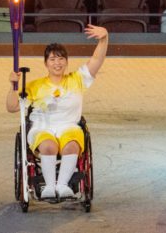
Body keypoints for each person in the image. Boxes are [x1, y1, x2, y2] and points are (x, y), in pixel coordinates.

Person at [6, 24, 109, 199]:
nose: (57, 63)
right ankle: (49, 187)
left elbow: (96, 60)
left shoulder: (77, 79)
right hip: (42, 127)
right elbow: (12, 107)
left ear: (66, 62)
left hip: (69, 126)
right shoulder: (35, 86)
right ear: (46, 63)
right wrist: (12, 86)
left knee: (72, 146)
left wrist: (104, 38)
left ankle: (62, 186)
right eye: (52, 59)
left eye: (61, 59)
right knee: (49, 146)